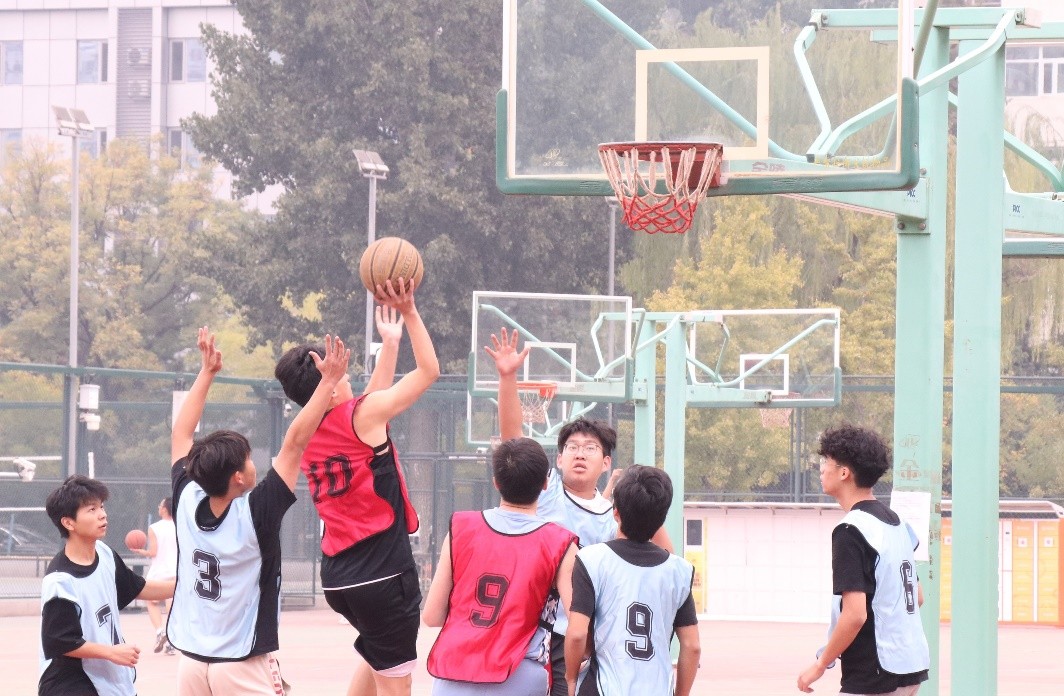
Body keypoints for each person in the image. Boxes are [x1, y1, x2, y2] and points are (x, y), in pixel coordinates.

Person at [274, 279, 439, 696]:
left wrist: (391, 344)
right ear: (331, 386)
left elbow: (369, 400)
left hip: (339, 579)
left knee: (376, 657)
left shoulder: (306, 435)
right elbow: (429, 372)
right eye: (341, 374)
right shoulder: (362, 417)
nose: (348, 377)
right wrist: (410, 311)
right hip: (382, 573)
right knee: (397, 685)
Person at [489, 327, 672, 694]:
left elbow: (664, 553)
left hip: (576, 634)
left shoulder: (615, 515)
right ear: (558, 460)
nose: (580, 453)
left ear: (606, 463)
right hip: (525, 625)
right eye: (572, 447)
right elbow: (513, 440)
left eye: (590, 448)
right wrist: (508, 377)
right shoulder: (547, 492)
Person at [168, 327, 349, 695]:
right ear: (238, 477)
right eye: (249, 459)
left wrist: (206, 373)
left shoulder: (186, 497)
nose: (255, 464)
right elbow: (295, 443)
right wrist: (327, 383)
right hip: (241, 662)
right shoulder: (255, 513)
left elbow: (180, 434)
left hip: (190, 661)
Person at [421, 436, 578, 695]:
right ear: (545, 484)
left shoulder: (461, 527)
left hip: (453, 674)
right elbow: (577, 625)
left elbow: (432, 616)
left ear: (496, 482)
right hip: (520, 675)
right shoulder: (560, 543)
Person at [797, 424, 930, 695]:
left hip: (875, 670)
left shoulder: (851, 530)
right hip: (911, 665)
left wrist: (821, 664)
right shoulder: (899, 524)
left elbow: (855, 614)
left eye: (827, 462)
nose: (822, 470)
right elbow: (917, 597)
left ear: (844, 473)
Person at [563, 465, 700, 696]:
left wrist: (571, 678)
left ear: (616, 512)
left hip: (602, 687)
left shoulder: (591, 559)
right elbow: (692, 646)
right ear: (662, 519)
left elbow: (577, 634)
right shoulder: (679, 571)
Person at [39, 475, 175, 696]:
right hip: (71, 684)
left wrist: (186, 586)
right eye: (91, 510)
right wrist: (111, 653)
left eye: (101, 506)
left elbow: (139, 588)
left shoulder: (104, 554)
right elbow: (60, 642)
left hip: (110, 680)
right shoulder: (60, 581)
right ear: (68, 522)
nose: (102, 514)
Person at [131, 497, 177, 655]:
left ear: (164, 509)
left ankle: (159, 631)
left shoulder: (154, 527)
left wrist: (140, 551)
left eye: (160, 505)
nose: (159, 507)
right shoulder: (180, 525)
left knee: (152, 602)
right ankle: (171, 639)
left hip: (159, 571)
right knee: (172, 604)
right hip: (176, 569)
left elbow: (153, 552)